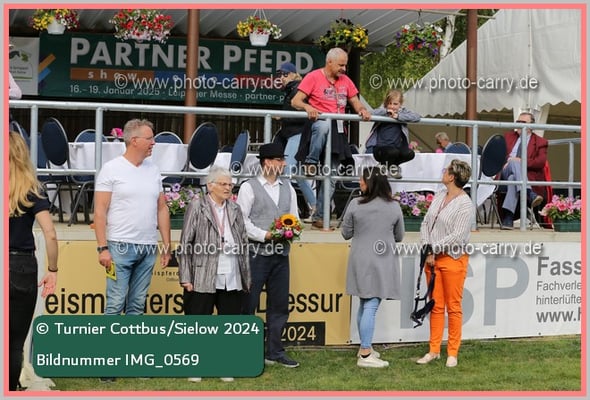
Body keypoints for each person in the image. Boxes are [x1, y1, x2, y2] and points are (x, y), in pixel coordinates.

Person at [93, 119, 171, 382]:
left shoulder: (153, 170)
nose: (153, 143)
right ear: (134, 140)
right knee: (115, 304)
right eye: (150, 138)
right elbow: (100, 211)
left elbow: (162, 208)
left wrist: (166, 244)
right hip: (118, 247)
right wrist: (102, 248)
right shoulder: (111, 169)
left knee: (137, 305)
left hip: (148, 247)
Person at [178, 166, 250, 383]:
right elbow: (185, 242)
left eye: (230, 184)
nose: (228, 188)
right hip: (203, 273)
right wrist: (185, 276)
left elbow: (243, 242)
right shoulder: (197, 206)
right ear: (210, 186)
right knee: (199, 321)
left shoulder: (235, 208)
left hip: (231, 274)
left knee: (228, 322)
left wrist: (246, 276)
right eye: (223, 184)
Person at [291, 47, 372, 230]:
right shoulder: (313, 77)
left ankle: (320, 217)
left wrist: (362, 110)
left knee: (331, 176)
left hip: (338, 132)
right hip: (317, 127)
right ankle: (311, 162)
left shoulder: (346, 80)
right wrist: (308, 107)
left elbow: (355, 101)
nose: (344, 68)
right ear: (329, 62)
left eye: (345, 65)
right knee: (324, 125)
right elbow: (295, 101)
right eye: (341, 65)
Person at [237, 143, 301, 368]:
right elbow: (242, 221)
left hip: (281, 255)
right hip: (256, 255)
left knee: (279, 304)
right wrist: (264, 235)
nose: (283, 163)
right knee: (249, 304)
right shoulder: (248, 187)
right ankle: (244, 350)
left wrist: (291, 230)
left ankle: (275, 351)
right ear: (267, 162)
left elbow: (294, 217)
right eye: (279, 160)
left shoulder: (288, 188)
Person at [341, 166, 404, 368]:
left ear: (371, 183)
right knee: (371, 305)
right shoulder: (394, 206)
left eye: (362, 180)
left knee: (365, 302)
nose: (359, 182)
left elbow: (345, 233)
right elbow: (399, 236)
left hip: (359, 258)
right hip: (382, 260)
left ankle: (364, 348)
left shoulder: (355, 204)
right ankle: (366, 353)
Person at [8, 132, 58, 391]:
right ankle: (10, 388)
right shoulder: (32, 189)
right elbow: (50, 233)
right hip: (22, 265)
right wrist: (53, 269)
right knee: (15, 342)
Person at [416, 159, 475, 368]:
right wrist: (427, 248)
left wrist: (433, 248)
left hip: (453, 258)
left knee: (453, 306)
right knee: (436, 305)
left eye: (446, 170)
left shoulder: (465, 204)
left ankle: (452, 352)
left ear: (452, 176)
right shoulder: (440, 195)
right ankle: (434, 350)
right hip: (432, 258)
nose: (443, 173)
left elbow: (458, 236)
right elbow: (426, 223)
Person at [273, 62, 316, 220]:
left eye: (285, 74)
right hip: (293, 133)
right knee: (298, 175)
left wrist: (284, 117)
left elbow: (303, 113)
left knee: (287, 171)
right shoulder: (292, 89)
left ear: (293, 74)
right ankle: (315, 207)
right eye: (280, 75)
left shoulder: (298, 88)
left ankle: (285, 210)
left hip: (297, 133)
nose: (282, 77)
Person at [499, 112, 547, 230]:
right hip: (506, 170)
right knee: (513, 163)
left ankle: (508, 217)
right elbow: (498, 155)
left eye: (523, 122)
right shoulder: (508, 136)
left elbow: (540, 162)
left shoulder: (540, 142)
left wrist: (521, 161)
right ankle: (529, 193)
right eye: (518, 122)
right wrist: (509, 161)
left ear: (531, 126)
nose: (519, 125)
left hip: (524, 175)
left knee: (513, 179)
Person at [365, 88, 421, 171]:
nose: (392, 106)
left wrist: (398, 116)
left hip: (396, 147)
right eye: (389, 103)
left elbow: (417, 117)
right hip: (380, 148)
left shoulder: (403, 112)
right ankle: (386, 166)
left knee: (410, 153)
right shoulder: (382, 111)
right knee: (392, 152)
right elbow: (370, 113)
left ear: (400, 104)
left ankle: (392, 166)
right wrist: (386, 112)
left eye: (395, 104)